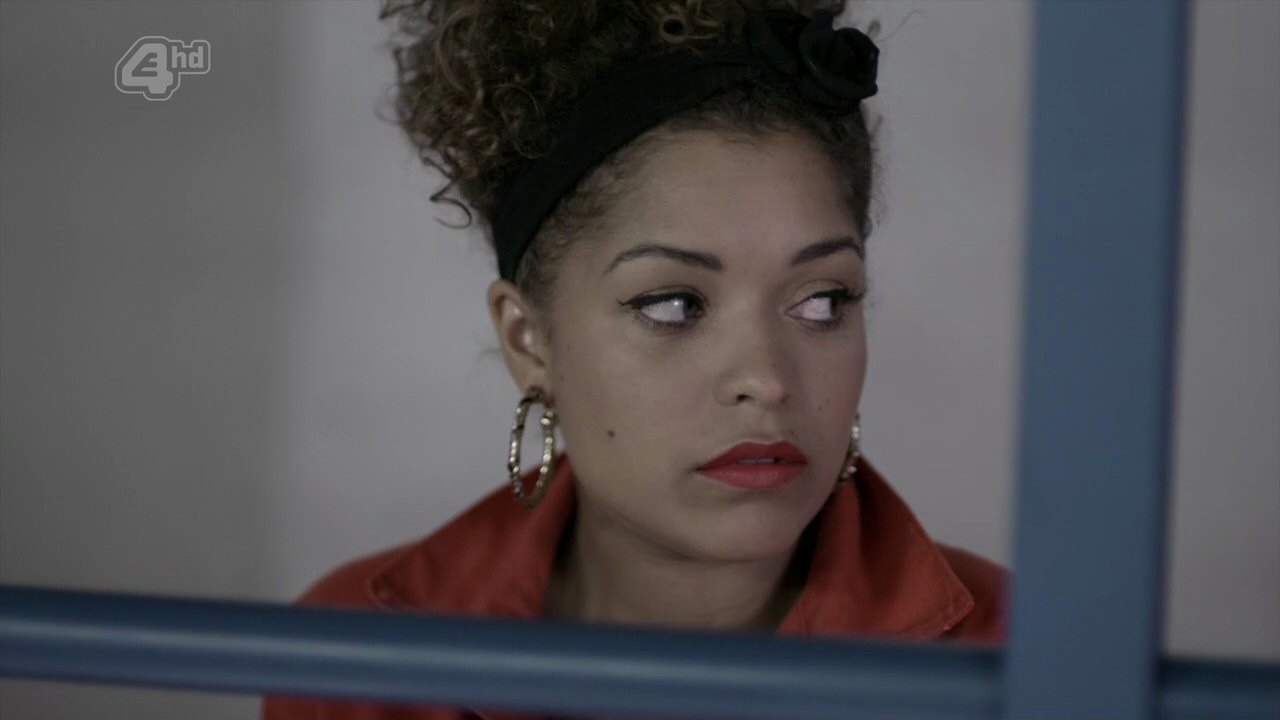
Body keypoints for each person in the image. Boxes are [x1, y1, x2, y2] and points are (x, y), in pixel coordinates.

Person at [263, 1, 1006, 717]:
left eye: (822, 301)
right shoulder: (355, 663)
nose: (766, 380)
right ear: (528, 341)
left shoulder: (1020, 659)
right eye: (673, 305)